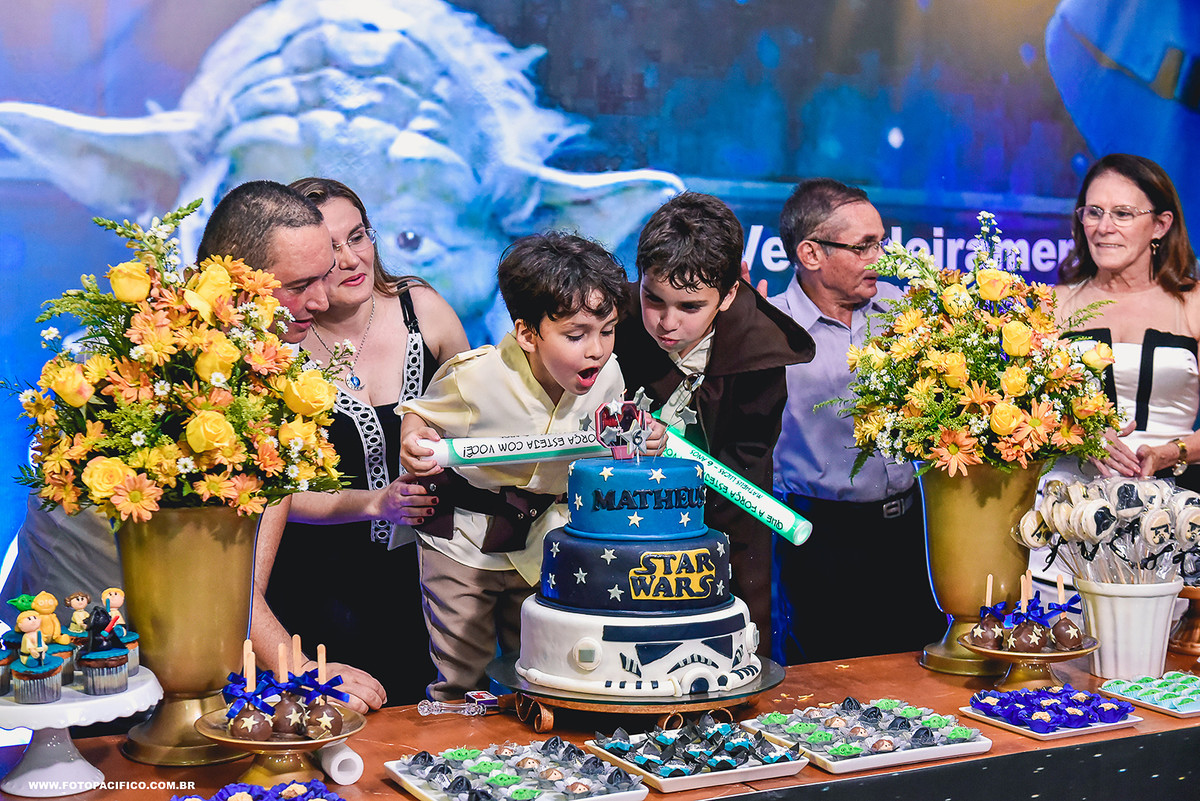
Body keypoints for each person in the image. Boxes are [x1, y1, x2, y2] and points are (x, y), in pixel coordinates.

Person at [399, 232, 658, 701]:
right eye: (576, 335)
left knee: (542, 671)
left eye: (608, 330)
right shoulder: (473, 377)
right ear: (527, 333)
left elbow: (619, 434)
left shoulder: (611, 374)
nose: (596, 350)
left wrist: (646, 437)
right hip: (464, 541)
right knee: (461, 676)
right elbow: (420, 413)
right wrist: (413, 439)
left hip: (545, 541)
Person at [254, 177, 469, 707]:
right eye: (330, 249)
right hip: (315, 582)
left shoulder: (423, 308)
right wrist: (376, 504)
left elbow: (478, 418)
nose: (351, 260)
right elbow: (271, 496)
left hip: (427, 579)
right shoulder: (277, 346)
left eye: (358, 236)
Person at [196, 180, 382, 713]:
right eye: (300, 285)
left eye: (324, 277)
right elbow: (218, 586)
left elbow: (244, 586)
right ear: (234, 281)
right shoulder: (184, 370)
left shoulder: (268, 374)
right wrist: (306, 674)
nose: (321, 301)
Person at [613, 191, 814, 652]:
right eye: (653, 299)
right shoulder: (611, 319)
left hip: (720, 524)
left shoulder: (761, 352)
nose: (666, 322)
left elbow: (746, 470)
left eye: (690, 307)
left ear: (728, 295)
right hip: (616, 523)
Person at [769, 178, 944, 664]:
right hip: (818, 538)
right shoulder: (770, 329)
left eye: (882, 243)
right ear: (810, 253)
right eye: (864, 246)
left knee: (922, 675)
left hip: (911, 530)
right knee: (831, 682)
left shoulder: (902, 311)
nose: (880, 259)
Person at [1054, 154, 1200, 487]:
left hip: (1175, 497)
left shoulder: (1193, 303)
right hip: (1066, 498)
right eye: (1094, 212)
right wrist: (1077, 433)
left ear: (1161, 225)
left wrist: (1173, 452)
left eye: (1122, 214)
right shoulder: (1055, 304)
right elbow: (1021, 413)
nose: (1104, 227)